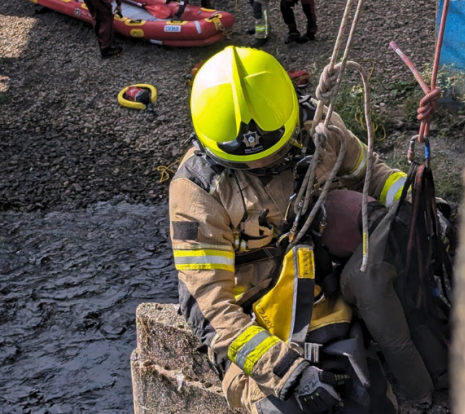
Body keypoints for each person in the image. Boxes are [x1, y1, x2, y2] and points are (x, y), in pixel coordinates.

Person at [170, 46, 443, 413]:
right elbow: (211, 309)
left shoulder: (319, 131)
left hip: (317, 293)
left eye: (274, 155)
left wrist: (418, 202)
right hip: (253, 321)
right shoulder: (198, 191)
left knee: (370, 398)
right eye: (250, 165)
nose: (265, 164)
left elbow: (372, 172)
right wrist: (287, 372)